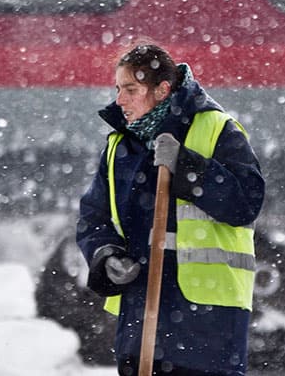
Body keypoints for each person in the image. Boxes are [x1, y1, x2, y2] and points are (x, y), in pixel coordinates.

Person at [76, 42, 265, 376]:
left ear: (162, 90)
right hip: (140, 324)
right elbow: (94, 217)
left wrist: (187, 168)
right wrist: (106, 257)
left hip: (208, 326)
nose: (120, 100)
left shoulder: (217, 129)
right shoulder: (121, 145)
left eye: (130, 89)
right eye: (118, 89)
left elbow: (246, 203)